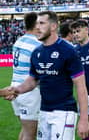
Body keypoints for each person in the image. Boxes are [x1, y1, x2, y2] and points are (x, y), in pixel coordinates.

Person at [5, 11, 89, 140]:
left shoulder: (68, 51)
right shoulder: (37, 52)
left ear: (53, 26)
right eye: (37, 23)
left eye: (42, 23)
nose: (38, 27)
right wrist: (18, 89)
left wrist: (84, 119)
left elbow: (81, 86)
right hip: (44, 111)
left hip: (63, 112)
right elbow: (33, 80)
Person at [10, 12, 42, 140]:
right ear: (36, 25)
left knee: (25, 130)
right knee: (30, 134)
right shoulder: (36, 44)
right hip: (29, 90)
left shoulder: (19, 40)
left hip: (15, 88)